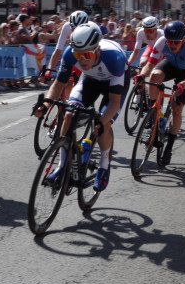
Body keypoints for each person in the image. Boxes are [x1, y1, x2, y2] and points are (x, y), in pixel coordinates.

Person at [34, 22, 129, 191]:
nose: (82, 59)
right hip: (90, 80)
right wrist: (45, 105)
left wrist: (101, 122)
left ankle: (104, 164)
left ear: (97, 50)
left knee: (103, 125)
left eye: (87, 54)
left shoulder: (115, 58)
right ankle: (62, 165)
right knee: (69, 115)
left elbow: (114, 101)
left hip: (112, 86)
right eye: (78, 54)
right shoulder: (70, 54)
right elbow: (58, 84)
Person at [138, 20, 185, 166]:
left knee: (176, 110)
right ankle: (153, 112)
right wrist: (141, 75)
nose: (171, 45)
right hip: (170, 66)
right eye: (169, 42)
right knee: (153, 76)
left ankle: (169, 147)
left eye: (176, 43)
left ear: (183, 40)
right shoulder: (161, 42)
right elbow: (150, 65)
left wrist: (181, 85)